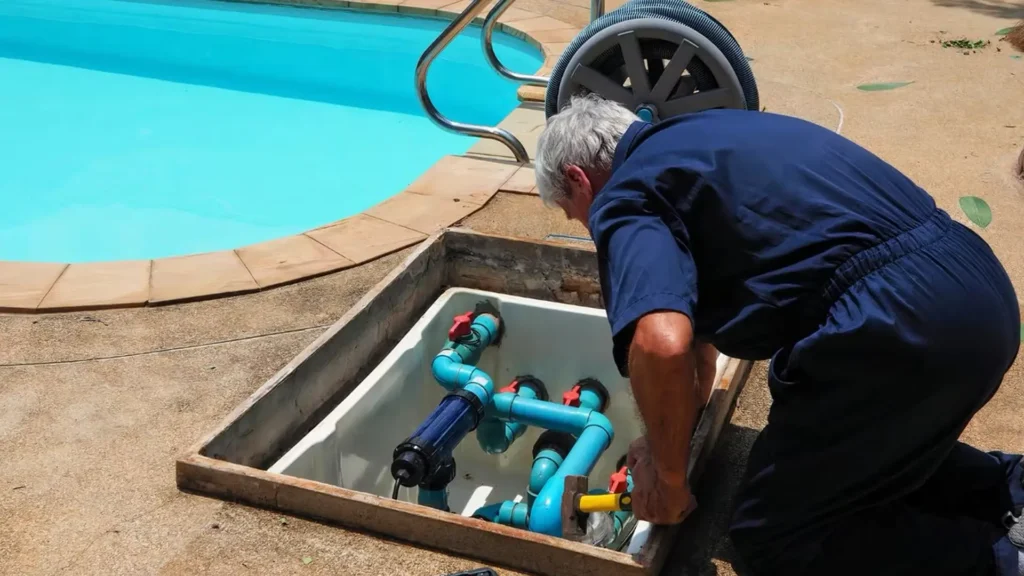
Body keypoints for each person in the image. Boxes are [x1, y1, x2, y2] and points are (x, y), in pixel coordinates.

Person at [533, 93, 1024, 575]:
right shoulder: (701, 136)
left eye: (572, 211)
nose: (585, 225)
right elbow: (694, 346)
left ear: (579, 179)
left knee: (775, 538)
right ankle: (1011, 488)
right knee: (870, 455)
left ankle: (998, 561)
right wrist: (665, 443)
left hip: (902, 325)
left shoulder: (625, 195)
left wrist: (668, 480)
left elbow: (660, 345)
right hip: (973, 291)